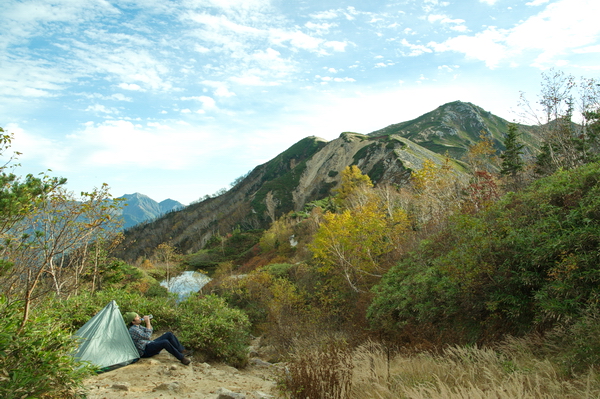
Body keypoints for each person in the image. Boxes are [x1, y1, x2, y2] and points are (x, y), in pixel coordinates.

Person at [123, 312, 191, 365]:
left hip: (149, 344)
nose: (140, 317)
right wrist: (147, 323)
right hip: (145, 350)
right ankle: (182, 358)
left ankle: (182, 350)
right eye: (137, 317)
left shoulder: (138, 326)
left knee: (169, 334)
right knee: (165, 342)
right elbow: (148, 336)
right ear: (133, 321)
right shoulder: (133, 330)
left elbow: (150, 330)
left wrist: (148, 323)